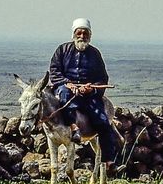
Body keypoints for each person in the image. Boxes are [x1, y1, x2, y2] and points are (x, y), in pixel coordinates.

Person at [48, 18, 119, 164]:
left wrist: (90, 88)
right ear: (74, 34)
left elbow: (102, 78)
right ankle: (74, 128)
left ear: (90, 35)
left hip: (88, 95)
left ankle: (109, 162)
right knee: (63, 96)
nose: (82, 36)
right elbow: (54, 72)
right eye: (79, 33)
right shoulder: (62, 50)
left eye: (85, 34)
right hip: (67, 90)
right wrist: (68, 84)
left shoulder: (95, 54)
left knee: (103, 121)